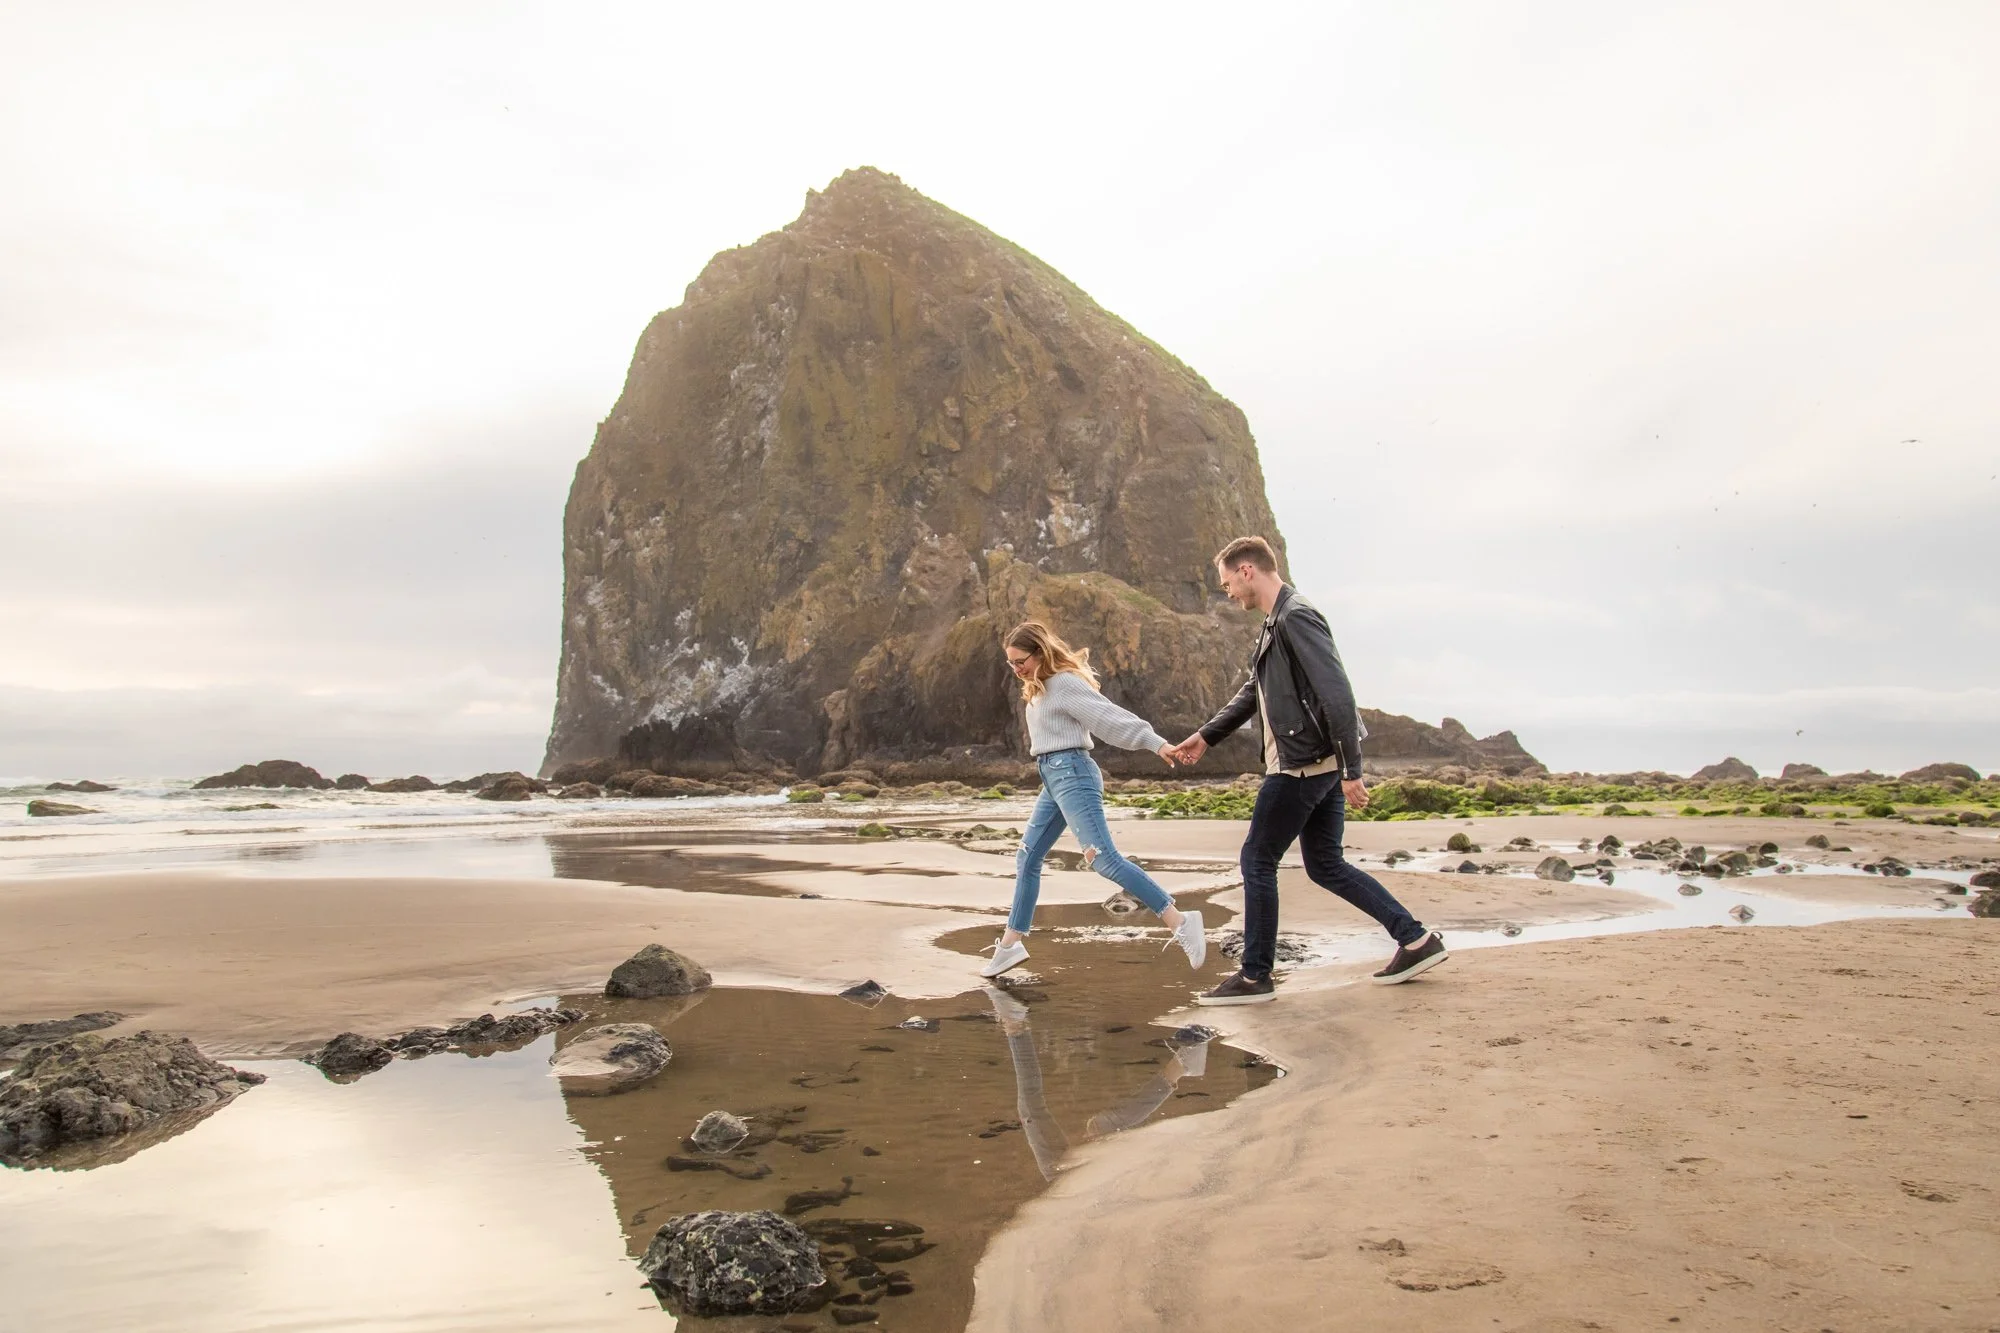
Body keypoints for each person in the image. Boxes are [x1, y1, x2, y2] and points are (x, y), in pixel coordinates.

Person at [1167, 537, 1446, 1004]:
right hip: (1319, 763)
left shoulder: (1296, 617)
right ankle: (1416, 940)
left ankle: (1255, 976)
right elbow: (1251, 692)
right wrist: (1207, 735)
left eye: (1227, 583)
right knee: (1326, 865)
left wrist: (1352, 768)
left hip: (1302, 766)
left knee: (1257, 860)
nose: (1228, 593)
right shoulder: (1275, 624)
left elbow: (1337, 693)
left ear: (1247, 570)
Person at [982, 621, 1207, 979]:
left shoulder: (1064, 684)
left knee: (1105, 861)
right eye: (1010, 663)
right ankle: (1010, 945)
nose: (1016, 668)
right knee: (1028, 856)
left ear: (1039, 652)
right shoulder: (1039, 690)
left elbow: (1108, 718)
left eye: (1020, 660)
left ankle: (1180, 921)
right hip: (1053, 778)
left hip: (1073, 774)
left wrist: (1155, 743)